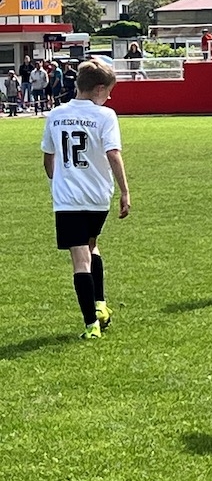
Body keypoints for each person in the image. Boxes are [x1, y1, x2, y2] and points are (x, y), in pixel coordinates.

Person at [41, 58, 131, 339]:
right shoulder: (105, 116)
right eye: (109, 92)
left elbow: (48, 157)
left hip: (68, 198)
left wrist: (57, 183)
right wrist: (125, 191)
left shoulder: (56, 114)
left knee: (80, 259)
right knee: (92, 246)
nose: (110, 98)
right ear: (99, 89)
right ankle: (100, 304)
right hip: (98, 196)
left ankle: (91, 325)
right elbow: (113, 153)